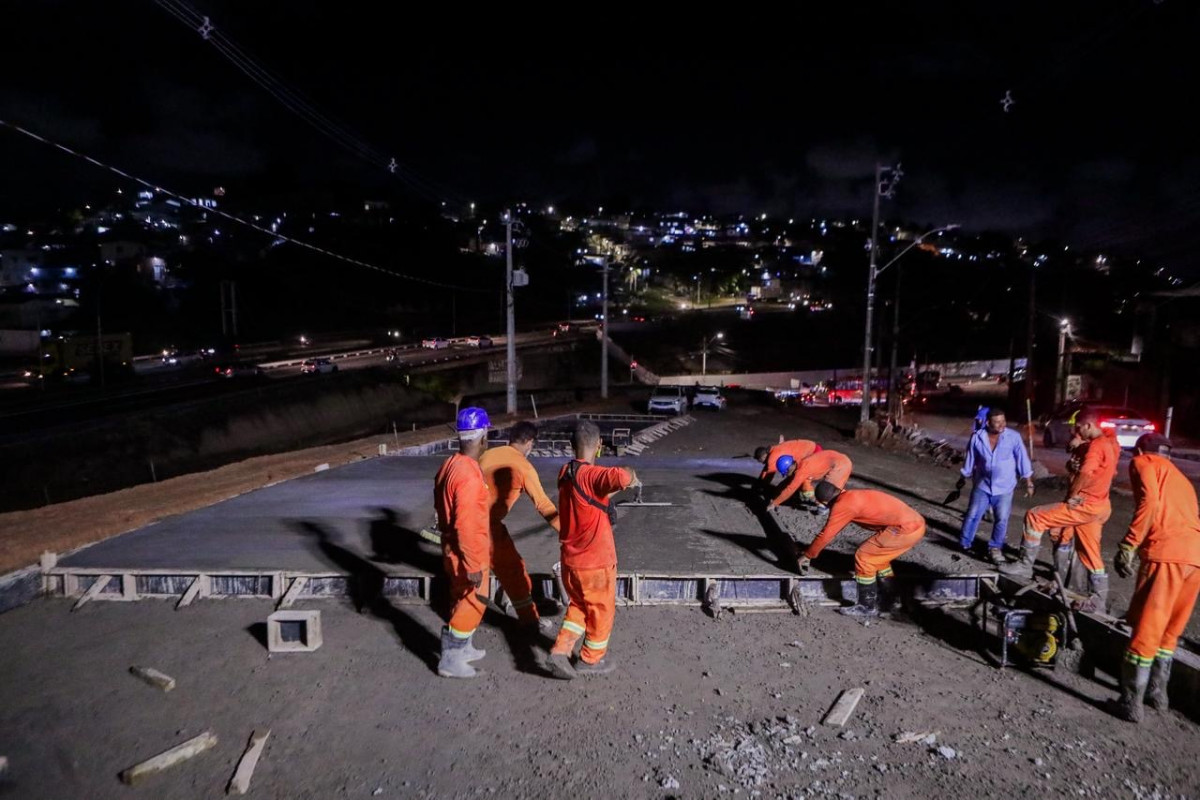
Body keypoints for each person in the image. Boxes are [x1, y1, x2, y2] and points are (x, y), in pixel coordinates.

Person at [1108, 434, 1200, 722]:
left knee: (1147, 630)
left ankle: (1131, 702)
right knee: (1169, 633)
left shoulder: (1143, 462)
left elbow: (1149, 503)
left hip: (1167, 555)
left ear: (1138, 450)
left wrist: (1129, 544)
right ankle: (1158, 695)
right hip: (1195, 560)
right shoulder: (1180, 478)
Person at [1001, 408, 1121, 612]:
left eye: (1078, 428)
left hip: (1085, 504)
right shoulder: (1108, 444)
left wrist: (1074, 493)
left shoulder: (1096, 447)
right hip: (1100, 506)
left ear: (1088, 426)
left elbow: (1085, 472)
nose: (1076, 432)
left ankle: (1024, 565)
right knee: (1087, 551)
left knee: (1035, 516)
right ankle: (1098, 598)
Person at [546, 420, 639, 679]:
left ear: (571, 445)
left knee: (579, 606)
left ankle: (560, 651)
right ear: (599, 445)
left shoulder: (565, 472)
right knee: (601, 610)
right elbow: (621, 476)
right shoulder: (591, 475)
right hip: (595, 563)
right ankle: (590, 660)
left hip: (571, 561)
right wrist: (631, 472)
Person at [796, 481, 927, 618]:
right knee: (879, 559)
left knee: (864, 557)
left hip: (904, 530)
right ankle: (893, 599)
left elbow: (826, 535)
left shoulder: (843, 505)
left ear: (824, 501)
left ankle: (865, 606)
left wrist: (808, 555)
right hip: (917, 524)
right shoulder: (852, 495)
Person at [478, 420, 560, 635]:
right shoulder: (523, 467)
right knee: (514, 571)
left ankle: (468, 622)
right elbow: (543, 504)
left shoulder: (488, 455)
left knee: (477, 575)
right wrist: (568, 532)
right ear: (530, 443)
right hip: (488, 528)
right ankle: (529, 620)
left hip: (467, 524)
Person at [432, 407, 493, 679]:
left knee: (459, 596)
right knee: (474, 600)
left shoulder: (451, 464)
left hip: (452, 546)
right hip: (467, 551)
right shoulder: (468, 475)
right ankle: (451, 658)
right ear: (484, 435)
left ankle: (464, 647)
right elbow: (466, 524)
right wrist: (473, 564)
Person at [955, 407, 1035, 565]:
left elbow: (1022, 458)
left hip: (1004, 487)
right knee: (972, 515)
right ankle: (964, 544)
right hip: (982, 485)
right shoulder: (977, 438)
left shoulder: (1013, 437)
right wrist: (963, 477)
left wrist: (1029, 481)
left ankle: (995, 548)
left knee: (1002, 519)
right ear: (988, 423)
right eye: (997, 422)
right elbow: (970, 459)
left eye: (1003, 421)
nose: (1001, 425)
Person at [769, 449, 853, 508]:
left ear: (789, 469)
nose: (787, 475)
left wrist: (775, 503)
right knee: (805, 485)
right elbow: (789, 481)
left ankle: (842, 507)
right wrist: (776, 493)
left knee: (830, 493)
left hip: (841, 465)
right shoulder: (799, 463)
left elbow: (790, 488)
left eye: (786, 473)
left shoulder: (801, 471)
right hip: (838, 459)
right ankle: (822, 503)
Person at [753, 439, 820, 492]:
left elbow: (768, 474)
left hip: (814, 453)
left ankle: (819, 502)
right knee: (789, 481)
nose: (761, 463)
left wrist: (759, 486)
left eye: (760, 461)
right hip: (812, 448)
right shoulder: (773, 449)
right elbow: (767, 469)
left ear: (763, 457)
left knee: (797, 483)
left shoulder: (772, 458)